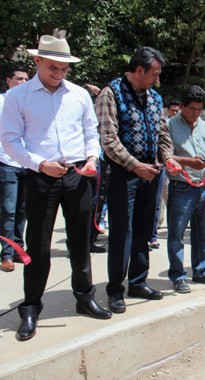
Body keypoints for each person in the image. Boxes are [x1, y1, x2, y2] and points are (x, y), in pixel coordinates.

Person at [1, 35, 112, 341]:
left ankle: (84, 296)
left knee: (80, 241)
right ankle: (31, 306)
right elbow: (10, 140)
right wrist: (39, 164)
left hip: (78, 172)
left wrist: (92, 156)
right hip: (41, 175)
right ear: (36, 61)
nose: (59, 73)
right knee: (38, 244)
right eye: (53, 67)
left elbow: (91, 131)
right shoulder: (18, 97)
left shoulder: (78, 95)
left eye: (64, 68)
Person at [96, 47, 181, 314]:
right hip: (124, 174)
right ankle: (115, 290)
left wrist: (168, 158)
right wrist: (135, 166)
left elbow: (163, 134)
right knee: (122, 234)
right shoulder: (111, 93)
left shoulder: (155, 98)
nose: (157, 79)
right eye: (154, 74)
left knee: (144, 231)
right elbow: (108, 140)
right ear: (140, 70)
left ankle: (138, 281)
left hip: (152, 174)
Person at [166, 85, 205, 293]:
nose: (195, 113)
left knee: (203, 232)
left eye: (199, 109)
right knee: (177, 234)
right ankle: (178, 275)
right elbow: (165, 155)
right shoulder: (170, 126)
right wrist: (188, 162)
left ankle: (201, 270)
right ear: (181, 106)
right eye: (191, 109)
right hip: (182, 187)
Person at [0, 66, 29, 272]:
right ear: (8, 81)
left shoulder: (31, 102)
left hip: (28, 163)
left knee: (23, 210)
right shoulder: (2, 101)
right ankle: (7, 255)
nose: (24, 82)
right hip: (6, 162)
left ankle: (19, 249)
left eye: (27, 78)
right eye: (19, 78)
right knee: (8, 211)